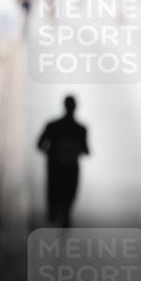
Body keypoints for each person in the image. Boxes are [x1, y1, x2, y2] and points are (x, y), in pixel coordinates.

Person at [36, 96, 90, 227]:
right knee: (68, 194)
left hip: (56, 167)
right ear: (75, 107)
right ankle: (63, 215)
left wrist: (52, 152)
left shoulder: (53, 126)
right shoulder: (80, 129)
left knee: (56, 193)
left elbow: (39, 145)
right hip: (70, 168)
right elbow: (86, 150)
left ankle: (58, 215)